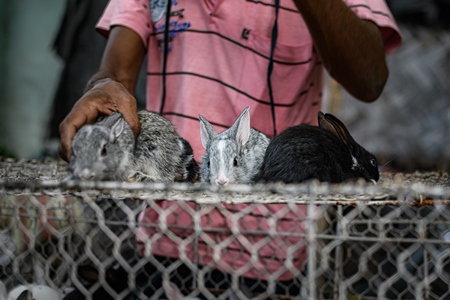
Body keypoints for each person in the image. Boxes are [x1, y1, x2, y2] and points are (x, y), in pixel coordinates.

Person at [58, 0, 402, 297]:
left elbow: (369, 77)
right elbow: (117, 69)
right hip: (168, 234)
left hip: (270, 247)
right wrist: (104, 86)